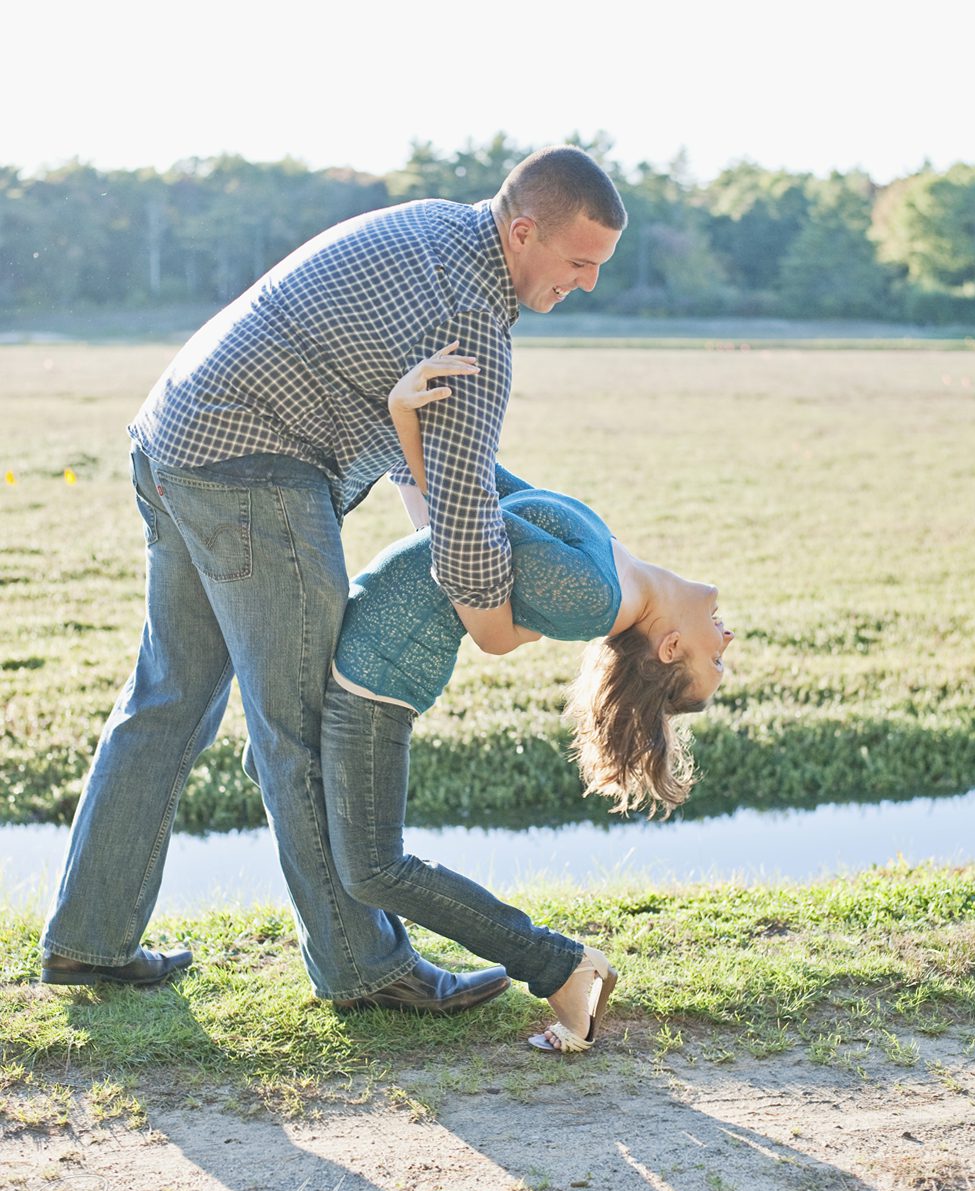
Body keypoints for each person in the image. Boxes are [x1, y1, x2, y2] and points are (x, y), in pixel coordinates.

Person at [40, 147, 627, 1011]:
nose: (586, 283)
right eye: (578, 262)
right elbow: (464, 526)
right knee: (306, 728)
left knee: (165, 703)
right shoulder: (472, 326)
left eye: (599, 267)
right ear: (524, 229)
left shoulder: (437, 227)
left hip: (173, 439)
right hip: (252, 472)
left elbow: (421, 457)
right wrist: (505, 620)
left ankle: (89, 943)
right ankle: (364, 968)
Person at [307, 348, 734, 1051]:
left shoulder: (598, 598)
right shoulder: (616, 570)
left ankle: (562, 966)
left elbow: (464, 525)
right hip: (373, 650)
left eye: (716, 658)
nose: (728, 636)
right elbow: (477, 497)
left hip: (377, 677)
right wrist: (413, 433)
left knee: (375, 867)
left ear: (669, 650)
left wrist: (401, 421)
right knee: (290, 789)